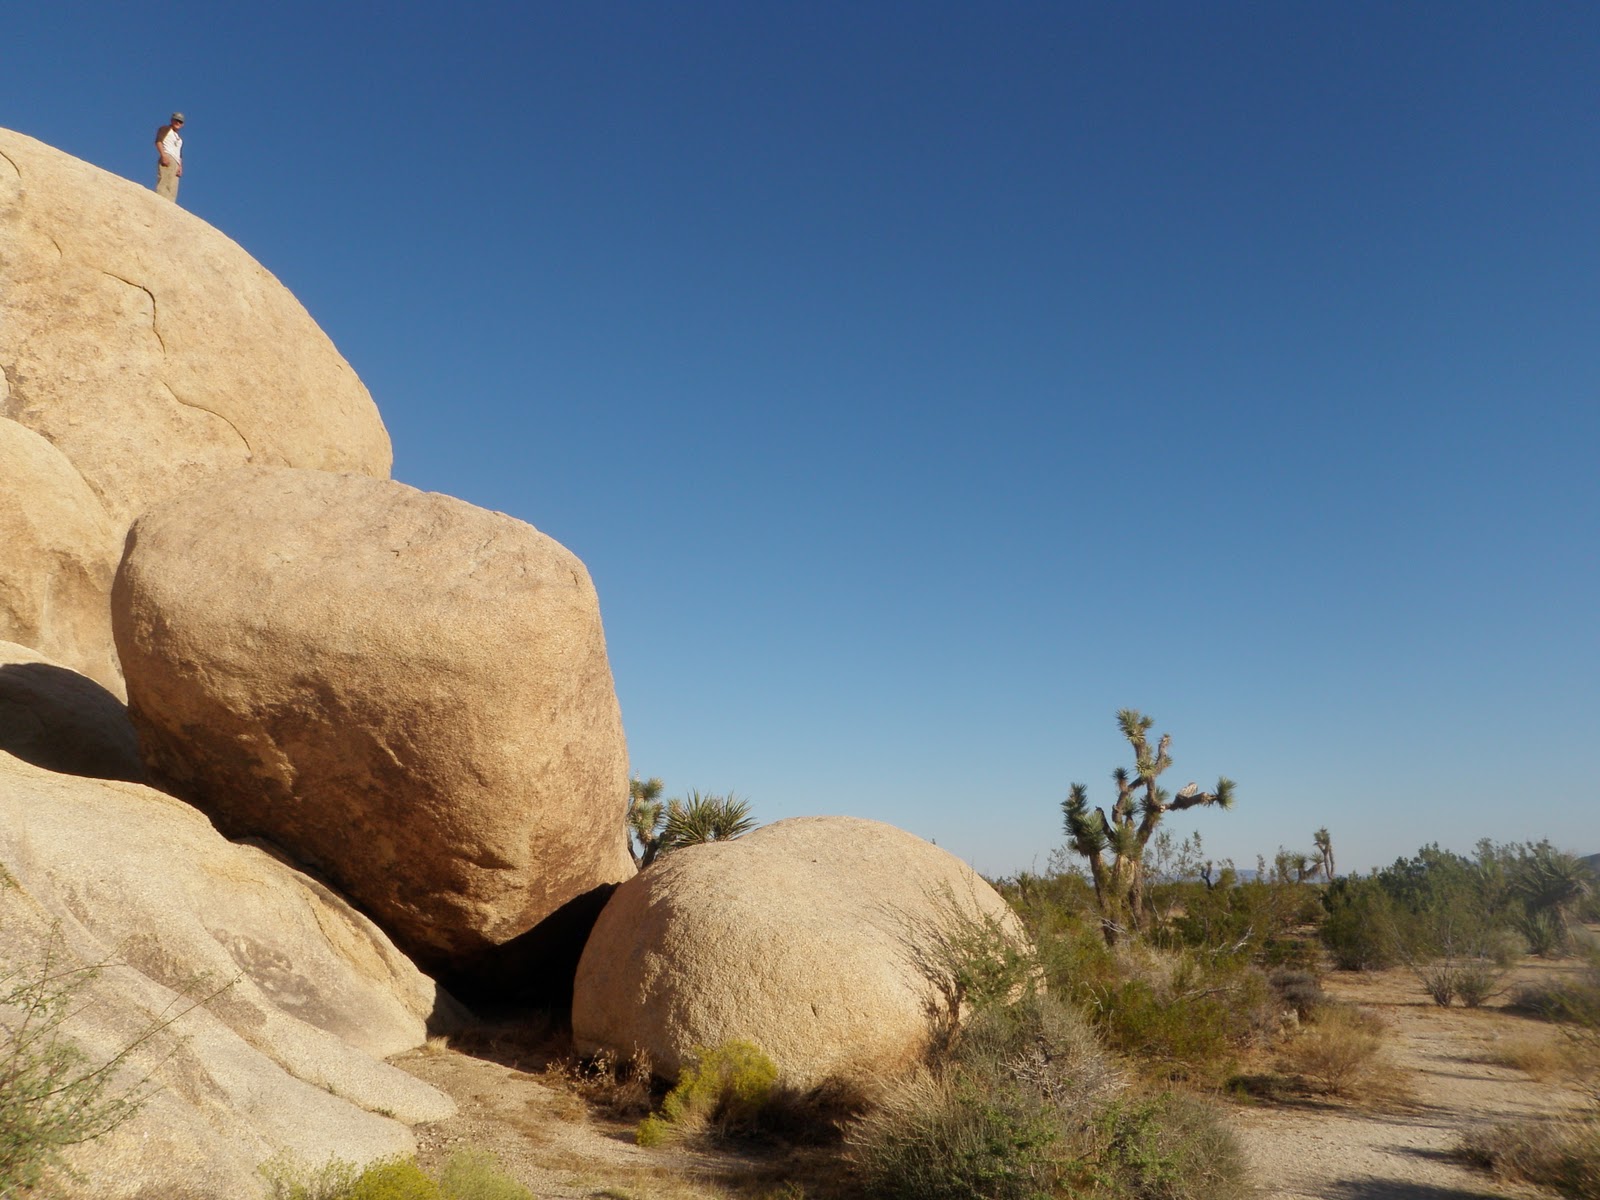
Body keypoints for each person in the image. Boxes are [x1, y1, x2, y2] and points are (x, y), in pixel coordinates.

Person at [154, 112, 185, 202]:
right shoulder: (165, 129)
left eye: (180, 122)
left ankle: (169, 206)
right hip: (167, 156)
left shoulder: (180, 139)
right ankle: (160, 202)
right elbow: (158, 141)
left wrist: (180, 166)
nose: (178, 123)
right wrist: (163, 155)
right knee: (164, 182)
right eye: (176, 120)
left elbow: (180, 153)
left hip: (176, 162)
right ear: (172, 120)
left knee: (173, 187)